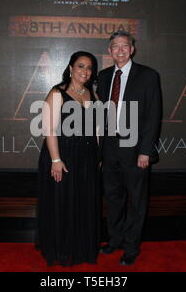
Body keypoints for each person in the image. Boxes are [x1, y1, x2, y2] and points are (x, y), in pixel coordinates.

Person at [96, 31, 161, 266]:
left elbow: (153, 116)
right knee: (113, 198)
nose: (120, 50)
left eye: (125, 46)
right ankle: (115, 240)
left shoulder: (148, 75)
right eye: (115, 46)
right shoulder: (103, 77)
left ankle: (132, 247)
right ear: (109, 51)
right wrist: (99, 151)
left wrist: (146, 151)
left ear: (132, 49)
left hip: (135, 150)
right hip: (109, 148)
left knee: (136, 200)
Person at [36, 51, 100, 266]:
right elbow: (49, 129)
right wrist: (55, 160)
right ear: (71, 68)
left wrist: (98, 156)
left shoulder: (93, 94)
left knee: (84, 204)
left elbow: (96, 129)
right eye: (81, 66)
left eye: (89, 68)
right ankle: (61, 250)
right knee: (62, 204)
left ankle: (81, 248)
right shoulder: (57, 93)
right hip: (62, 157)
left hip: (87, 159)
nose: (85, 71)